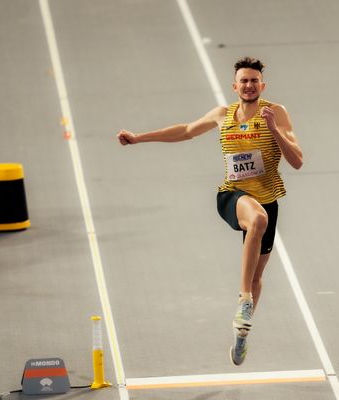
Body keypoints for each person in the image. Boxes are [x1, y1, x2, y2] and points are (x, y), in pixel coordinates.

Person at [117, 57, 303, 366]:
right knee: (257, 219)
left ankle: (241, 333)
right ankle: (244, 299)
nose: (249, 85)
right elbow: (186, 131)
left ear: (262, 85)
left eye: (254, 80)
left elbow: (297, 161)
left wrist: (273, 129)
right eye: (243, 80)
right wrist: (139, 138)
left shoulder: (276, 113)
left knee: (258, 273)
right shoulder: (222, 114)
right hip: (233, 195)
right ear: (235, 86)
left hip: (268, 197)